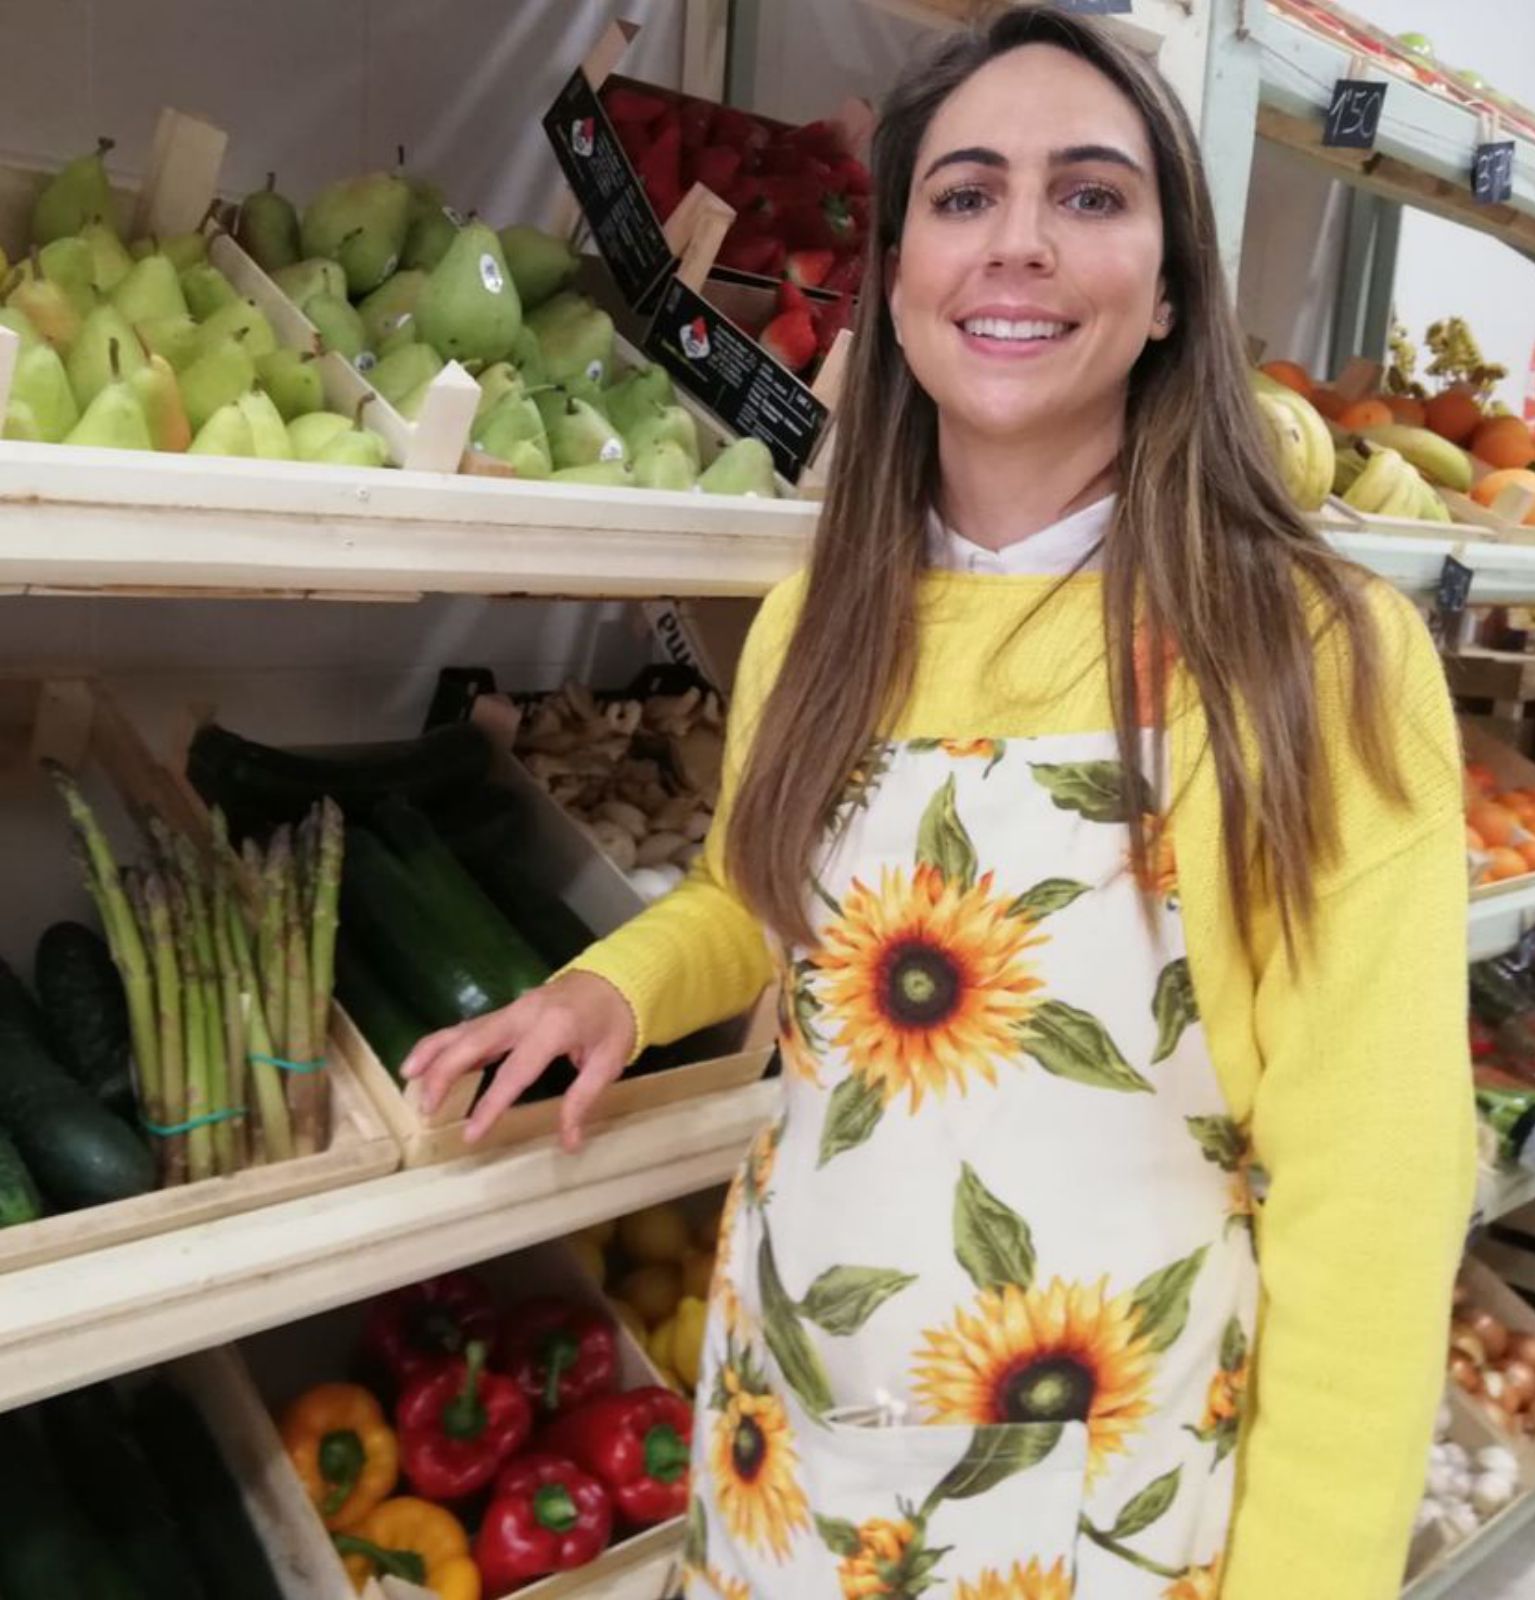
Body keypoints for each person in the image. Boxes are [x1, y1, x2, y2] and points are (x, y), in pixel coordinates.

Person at [403, 9, 1474, 1597]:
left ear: (1173, 288)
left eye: (1093, 196)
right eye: (965, 196)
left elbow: (1374, 1213)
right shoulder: (819, 615)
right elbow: (761, 894)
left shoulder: (1316, 659)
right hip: (797, 1456)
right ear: (895, 282)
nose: (1019, 245)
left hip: (1105, 1505)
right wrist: (616, 986)